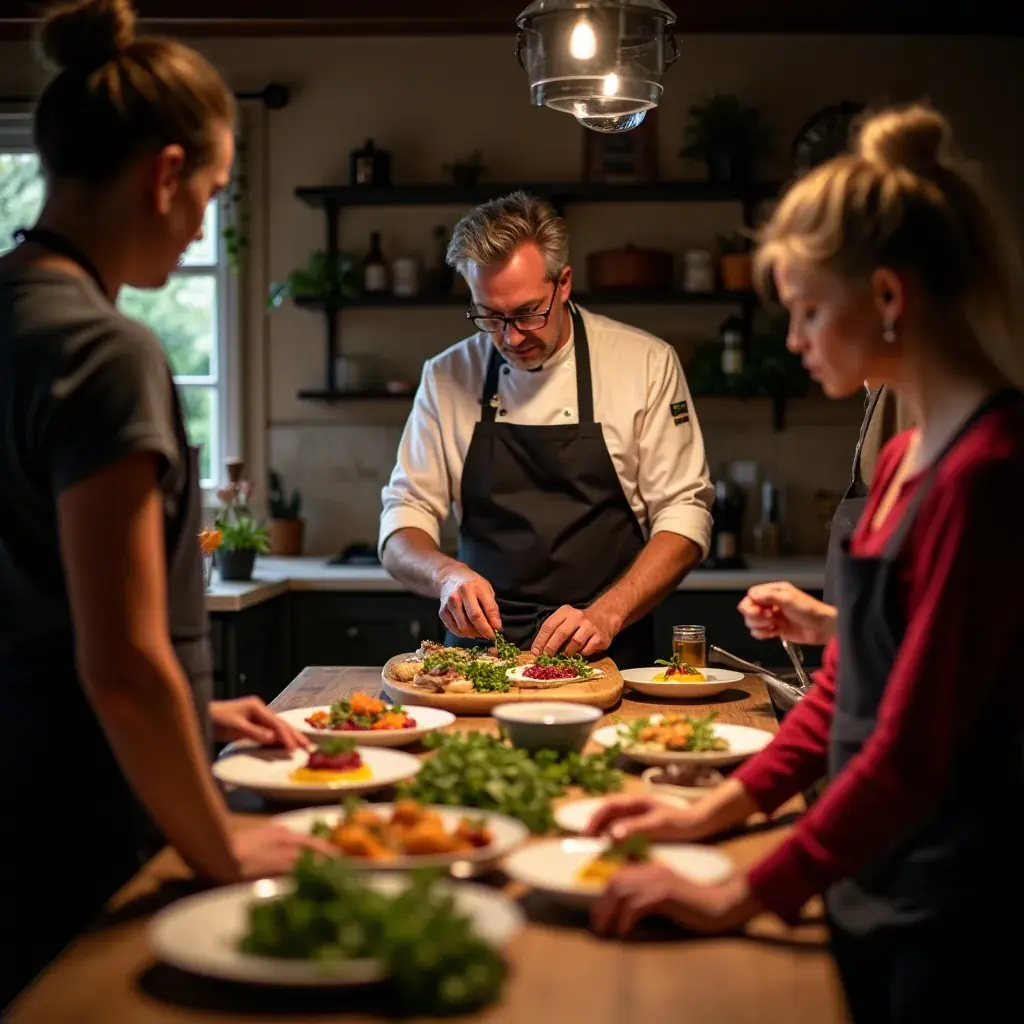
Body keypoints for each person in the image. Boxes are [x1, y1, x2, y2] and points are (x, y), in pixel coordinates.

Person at [582, 103, 1024, 1020]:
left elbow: (907, 753)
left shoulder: (990, 474)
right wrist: (708, 813)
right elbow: (847, 686)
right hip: (868, 869)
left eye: (810, 311)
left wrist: (735, 893)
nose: (795, 341)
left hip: (948, 909)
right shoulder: (906, 458)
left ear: (891, 298)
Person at [0, 0, 330, 1007]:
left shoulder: (13, 312)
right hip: (81, 816)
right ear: (164, 173)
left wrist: (197, 707)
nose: (202, 223)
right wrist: (220, 841)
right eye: (215, 192)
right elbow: (125, 663)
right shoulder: (105, 350)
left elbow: (42, 601)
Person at [379, 192, 713, 667]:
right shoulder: (446, 375)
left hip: (607, 651)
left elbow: (685, 515)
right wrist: (445, 576)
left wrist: (608, 613)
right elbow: (400, 526)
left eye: (527, 312)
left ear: (564, 284)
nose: (510, 338)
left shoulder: (644, 363)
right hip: (477, 660)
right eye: (489, 317)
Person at [739, 383, 914, 647]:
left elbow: (927, 639)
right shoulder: (895, 449)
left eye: (808, 336)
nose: (796, 342)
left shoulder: (952, 459)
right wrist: (829, 626)